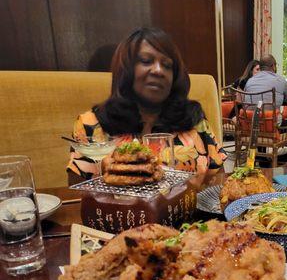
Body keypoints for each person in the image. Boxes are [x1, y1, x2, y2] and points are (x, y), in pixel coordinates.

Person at [67, 27, 226, 181]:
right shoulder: (91, 125)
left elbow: (218, 184)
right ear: (126, 69)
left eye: (167, 65)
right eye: (146, 61)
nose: (158, 70)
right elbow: (78, 197)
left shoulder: (193, 120)